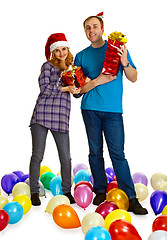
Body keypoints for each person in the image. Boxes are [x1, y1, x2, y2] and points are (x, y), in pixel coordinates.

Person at [74, 15, 148, 214]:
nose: (91, 31)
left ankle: (130, 197)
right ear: (85, 31)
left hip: (113, 111)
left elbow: (133, 78)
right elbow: (78, 90)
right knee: (95, 152)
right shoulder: (80, 56)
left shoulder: (117, 49)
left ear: (102, 28)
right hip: (89, 109)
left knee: (118, 154)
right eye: (87, 28)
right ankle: (99, 190)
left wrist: (125, 62)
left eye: (95, 27)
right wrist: (98, 80)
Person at [29, 33, 80, 206]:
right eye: (57, 50)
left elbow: (76, 94)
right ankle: (34, 192)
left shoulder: (73, 69)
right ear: (53, 52)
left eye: (63, 49)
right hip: (42, 115)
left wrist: (79, 87)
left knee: (66, 157)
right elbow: (44, 88)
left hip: (61, 118)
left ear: (68, 49)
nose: (61, 53)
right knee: (37, 155)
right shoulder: (47, 66)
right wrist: (66, 88)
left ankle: (67, 191)